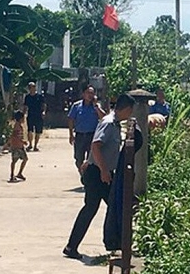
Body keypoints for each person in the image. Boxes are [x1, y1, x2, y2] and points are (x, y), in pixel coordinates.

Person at [62, 93, 136, 260]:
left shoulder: (112, 122)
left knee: (112, 207)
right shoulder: (109, 124)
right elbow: (96, 145)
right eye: (130, 111)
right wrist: (103, 170)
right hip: (98, 174)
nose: (130, 115)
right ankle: (74, 246)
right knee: (99, 208)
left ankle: (115, 243)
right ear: (125, 109)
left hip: (101, 172)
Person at [67, 85, 106, 174]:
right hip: (80, 136)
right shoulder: (76, 106)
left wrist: (96, 106)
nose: (90, 95)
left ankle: (87, 176)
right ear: (83, 94)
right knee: (78, 158)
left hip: (92, 136)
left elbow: (103, 117)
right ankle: (82, 173)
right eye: (88, 93)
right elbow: (71, 119)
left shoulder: (96, 106)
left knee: (91, 158)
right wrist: (70, 135)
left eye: (92, 93)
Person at [23, 82, 46, 151]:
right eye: (31, 87)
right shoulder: (27, 97)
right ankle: (30, 144)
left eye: (33, 87)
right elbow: (25, 106)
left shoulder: (40, 96)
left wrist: (43, 112)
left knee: (38, 131)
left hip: (38, 115)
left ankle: (35, 145)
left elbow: (44, 105)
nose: (32, 88)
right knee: (30, 130)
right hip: (30, 115)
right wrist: (24, 114)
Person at [7, 111, 29, 182]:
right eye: (23, 118)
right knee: (14, 161)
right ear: (20, 119)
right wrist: (23, 142)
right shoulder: (17, 126)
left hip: (20, 146)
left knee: (25, 159)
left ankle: (19, 173)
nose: (24, 120)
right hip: (16, 146)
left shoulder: (19, 125)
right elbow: (16, 136)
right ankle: (12, 175)